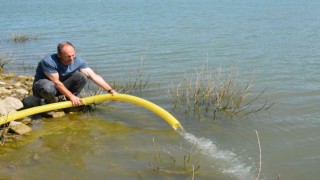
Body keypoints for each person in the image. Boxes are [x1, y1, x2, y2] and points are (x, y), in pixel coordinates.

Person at [32, 41, 117, 107]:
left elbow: (94, 76)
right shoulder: (48, 61)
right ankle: (50, 103)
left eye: (73, 55)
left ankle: (70, 101)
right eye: (68, 56)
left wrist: (110, 90)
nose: (72, 59)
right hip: (42, 89)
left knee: (82, 76)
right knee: (48, 87)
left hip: (60, 88)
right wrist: (71, 96)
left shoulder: (78, 61)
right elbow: (56, 83)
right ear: (59, 55)